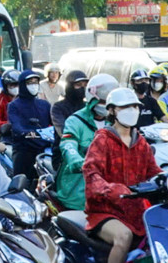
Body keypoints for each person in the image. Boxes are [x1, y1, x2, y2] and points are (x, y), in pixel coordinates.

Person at [83, 87, 162, 263]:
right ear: (112, 111)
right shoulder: (103, 140)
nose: (132, 111)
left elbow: (153, 172)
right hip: (104, 212)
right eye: (125, 107)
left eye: (135, 106)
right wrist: (109, 189)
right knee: (123, 236)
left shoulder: (141, 142)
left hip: (135, 211)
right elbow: (91, 172)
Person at [55, 73, 118, 210]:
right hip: (79, 186)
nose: (106, 105)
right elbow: (68, 144)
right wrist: (78, 161)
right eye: (102, 101)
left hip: (110, 185)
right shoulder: (76, 121)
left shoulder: (115, 122)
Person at [7, 68, 52, 179]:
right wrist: (32, 134)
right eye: (29, 83)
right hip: (24, 150)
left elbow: (56, 123)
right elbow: (17, 128)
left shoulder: (44, 104)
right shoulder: (14, 106)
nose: (33, 85)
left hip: (44, 150)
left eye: (35, 82)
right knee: (21, 184)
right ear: (22, 85)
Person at [50, 69, 88, 138]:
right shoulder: (58, 107)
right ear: (70, 86)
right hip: (64, 146)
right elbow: (63, 131)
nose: (82, 88)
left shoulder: (87, 106)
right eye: (78, 85)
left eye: (85, 85)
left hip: (87, 146)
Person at [0, 69, 20, 136]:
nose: (16, 88)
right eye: (12, 85)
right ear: (6, 86)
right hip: (6, 135)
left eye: (18, 85)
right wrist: (8, 125)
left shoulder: (27, 99)